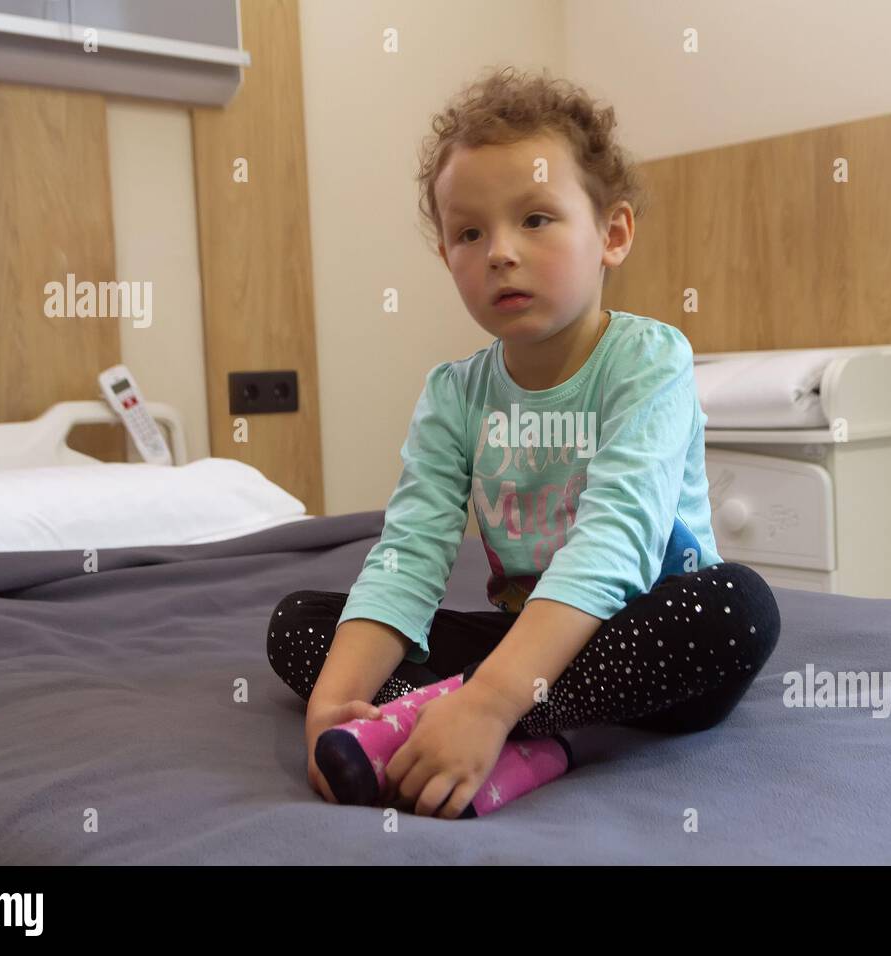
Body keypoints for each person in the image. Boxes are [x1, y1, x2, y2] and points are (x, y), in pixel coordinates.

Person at [268, 66, 780, 820]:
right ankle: (517, 727)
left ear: (613, 233)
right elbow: (409, 557)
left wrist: (492, 702)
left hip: (640, 642)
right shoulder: (454, 395)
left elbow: (614, 541)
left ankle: (483, 719)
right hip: (523, 640)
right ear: (447, 257)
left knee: (740, 607)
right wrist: (333, 710)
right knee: (301, 629)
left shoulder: (650, 362)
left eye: (535, 219)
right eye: (469, 232)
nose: (499, 251)